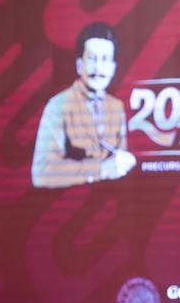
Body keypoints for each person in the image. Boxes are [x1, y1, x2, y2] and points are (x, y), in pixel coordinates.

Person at [32, 22, 136, 188]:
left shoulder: (117, 107)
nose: (98, 68)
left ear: (113, 67)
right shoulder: (58, 105)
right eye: (92, 59)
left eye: (105, 59)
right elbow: (42, 173)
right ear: (79, 65)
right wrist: (101, 170)